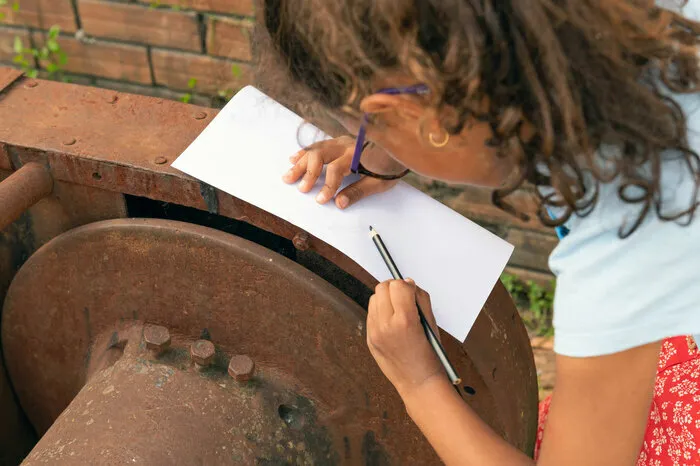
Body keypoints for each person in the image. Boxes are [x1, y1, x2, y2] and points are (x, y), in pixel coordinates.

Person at [260, 1, 700, 464]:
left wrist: (421, 384)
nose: (371, 149)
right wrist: (403, 147)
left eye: (377, 131)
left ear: (424, 116)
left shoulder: (631, 233)